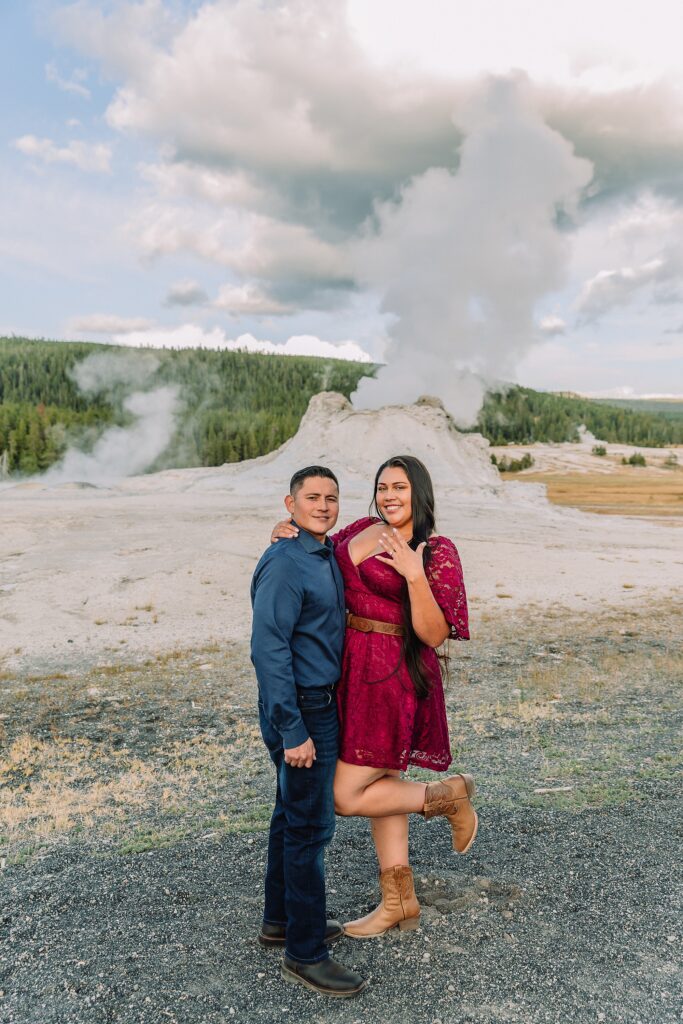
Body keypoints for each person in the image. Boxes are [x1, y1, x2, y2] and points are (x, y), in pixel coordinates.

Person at [271, 455, 475, 938]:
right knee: (383, 784)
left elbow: (433, 634)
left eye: (400, 487)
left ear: (419, 493)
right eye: (383, 486)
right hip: (351, 672)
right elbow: (321, 554)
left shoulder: (435, 549)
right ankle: (398, 903)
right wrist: (288, 530)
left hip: (393, 677)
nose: (389, 496)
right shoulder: (362, 527)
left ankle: (448, 795)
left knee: (343, 795)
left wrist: (414, 574)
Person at [250, 465, 367, 998]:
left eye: (331, 498)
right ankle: (305, 953)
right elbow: (268, 649)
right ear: (290, 503)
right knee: (310, 829)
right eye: (311, 498)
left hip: (316, 703)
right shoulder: (286, 562)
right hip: (302, 708)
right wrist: (293, 728)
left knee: (289, 816)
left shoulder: (319, 550)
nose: (323, 505)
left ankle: (281, 921)